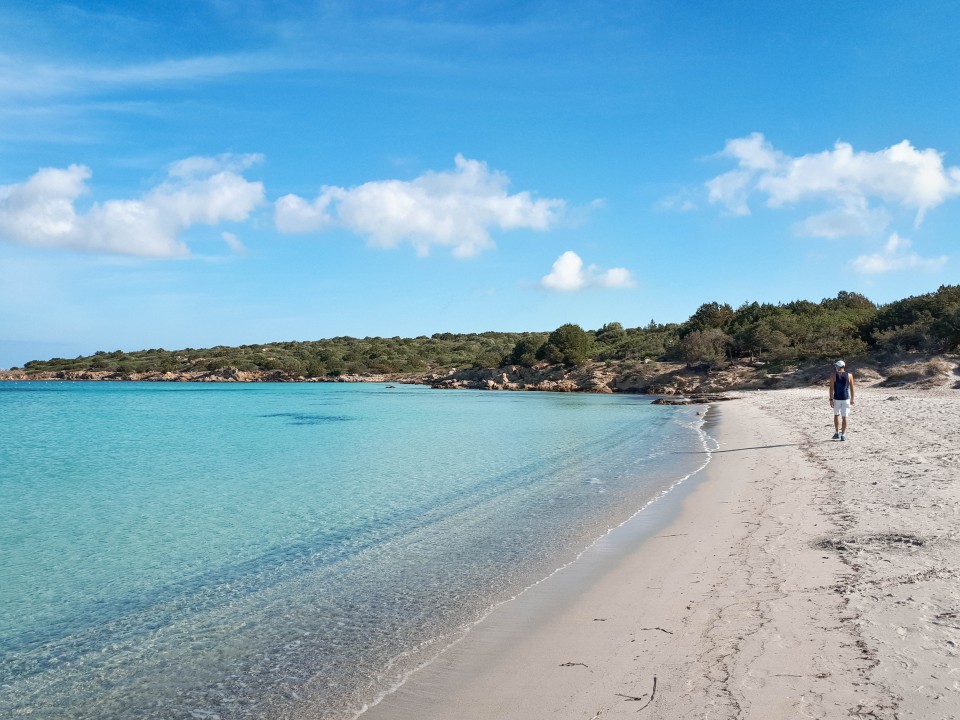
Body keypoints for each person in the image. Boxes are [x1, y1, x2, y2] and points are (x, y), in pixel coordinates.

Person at [829, 360, 855, 441]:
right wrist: (852, 399)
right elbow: (852, 388)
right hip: (846, 398)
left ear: (840, 366)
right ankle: (843, 434)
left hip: (837, 398)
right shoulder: (850, 375)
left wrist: (831, 399)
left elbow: (831, 388)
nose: (835, 367)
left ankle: (837, 433)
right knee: (844, 417)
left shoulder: (833, 375)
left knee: (836, 415)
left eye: (836, 366)